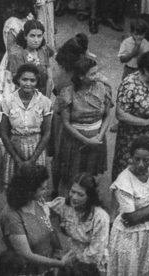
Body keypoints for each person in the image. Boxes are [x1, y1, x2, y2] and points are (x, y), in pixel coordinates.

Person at [108, 135, 149, 276]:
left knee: (144, 269)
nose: (141, 164)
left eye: (146, 160)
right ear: (131, 157)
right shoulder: (123, 182)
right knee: (128, 270)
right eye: (137, 159)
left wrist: (141, 215)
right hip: (129, 235)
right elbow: (130, 218)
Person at [54, 56, 113, 194]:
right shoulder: (68, 93)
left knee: (91, 175)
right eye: (92, 74)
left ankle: (89, 203)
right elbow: (66, 123)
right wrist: (85, 140)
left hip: (97, 138)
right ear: (81, 76)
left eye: (97, 72)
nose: (97, 77)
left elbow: (107, 115)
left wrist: (99, 137)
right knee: (71, 175)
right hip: (74, 141)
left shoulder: (102, 89)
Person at [112, 50, 149, 179]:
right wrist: (146, 121)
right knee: (128, 176)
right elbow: (120, 114)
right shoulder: (129, 84)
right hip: (132, 141)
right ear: (145, 70)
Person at [0, 164, 68, 274]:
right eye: (42, 188)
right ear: (29, 190)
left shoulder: (36, 200)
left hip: (47, 267)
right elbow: (26, 255)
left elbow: (50, 229)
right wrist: (60, 264)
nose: (46, 191)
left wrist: (58, 251)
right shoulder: (11, 216)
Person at [0, 63, 53, 188]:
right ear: (18, 79)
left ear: (37, 81)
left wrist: (32, 160)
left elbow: (47, 132)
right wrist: (18, 160)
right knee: (15, 188)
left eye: (32, 80)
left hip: (36, 149)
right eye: (24, 79)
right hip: (14, 149)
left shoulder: (44, 102)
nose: (28, 83)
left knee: (36, 187)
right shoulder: (7, 101)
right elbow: (4, 133)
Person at [48, 173, 110, 273]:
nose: (74, 197)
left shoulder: (100, 217)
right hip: (70, 255)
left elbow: (95, 252)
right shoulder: (64, 206)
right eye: (73, 192)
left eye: (80, 194)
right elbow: (41, 209)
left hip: (90, 264)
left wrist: (73, 259)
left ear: (89, 196)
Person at [6, 19, 52, 94]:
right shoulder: (17, 55)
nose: (36, 40)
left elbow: (50, 78)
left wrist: (46, 99)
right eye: (32, 36)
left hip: (43, 95)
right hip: (24, 96)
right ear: (25, 36)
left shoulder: (43, 52)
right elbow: (17, 82)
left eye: (39, 36)